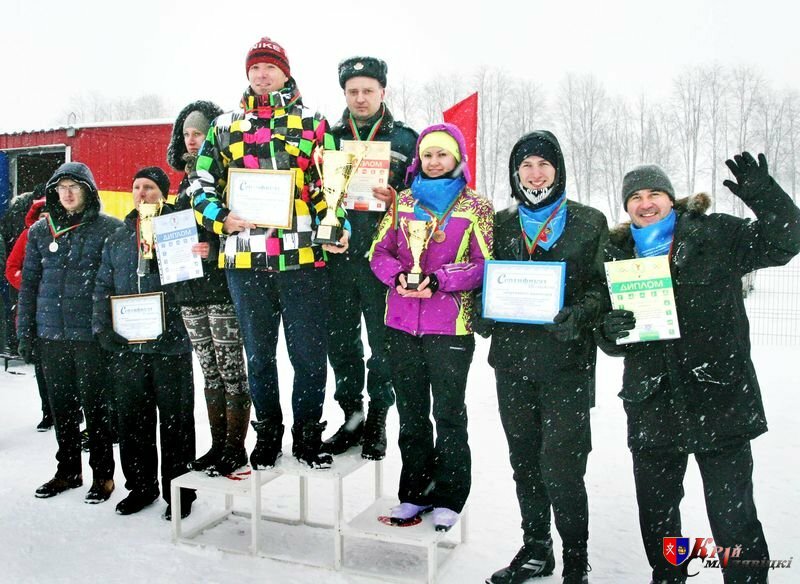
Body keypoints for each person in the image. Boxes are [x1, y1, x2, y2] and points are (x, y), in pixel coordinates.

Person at [597, 154, 800, 584]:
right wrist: (609, 330)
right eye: (635, 196)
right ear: (626, 205)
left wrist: (765, 195)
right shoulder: (616, 253)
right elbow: (608, 334)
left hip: (719, 399)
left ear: (672, 199)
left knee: (734, 523)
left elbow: (787, 241)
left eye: (654, 193)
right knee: (659, 522)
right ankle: (670, 578)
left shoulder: (716, 234)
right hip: (652, 404)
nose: (645, 203)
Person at [188, 36, 345, 470]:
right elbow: (199, 183)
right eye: (255, 67)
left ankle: (308, 433)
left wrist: (337, 226)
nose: (261, 74)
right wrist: (222, 218)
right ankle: (268, 431)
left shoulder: (313, 122)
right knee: (258, 355)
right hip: (245, 259)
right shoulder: (225, 125)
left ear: (285, 72)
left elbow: (330, 185)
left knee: (309, 354)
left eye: (269, 67)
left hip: (301, 258)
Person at [483, 131, 606, 584]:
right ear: (516, 175)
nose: (535, 174)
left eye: (543, 165)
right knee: (525, 463)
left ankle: (576, 559)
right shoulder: (501, 223)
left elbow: (602, 288)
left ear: (559, 170)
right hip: (512, 365)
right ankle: (536, 549)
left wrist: (580, 313)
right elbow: (485, 280)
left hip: (566, 365)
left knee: (564, 467)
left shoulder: (588, 222)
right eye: (526, 167)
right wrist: (484, 312)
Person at [370, 123, 493, 531]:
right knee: (412, 414)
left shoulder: (475, 207)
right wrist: (399, 277)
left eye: (442, 154)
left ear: (457, 158)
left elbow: (483, 265)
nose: (434, 162)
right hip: (402, 325)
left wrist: (440, 279)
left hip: (451, 329)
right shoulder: (403, 202)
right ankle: (414, 493)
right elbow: (378, 252)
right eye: (427, 155)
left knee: (449, 413)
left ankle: (451, 495)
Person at [323, 56, 418, 460]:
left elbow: (423, 199)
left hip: (384, 262)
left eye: (368, 90)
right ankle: (352, 414)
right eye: (352, 91)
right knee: (341, 342)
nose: (360, 98)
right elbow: (315, 195)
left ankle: (378, 415)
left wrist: (400, 201)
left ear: (383, 91)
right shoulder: (328, 137)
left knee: (383, 345)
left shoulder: (405, 140)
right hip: (338, 261)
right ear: (344, 94)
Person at [93, 167, 196, 519]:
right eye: (136, 187)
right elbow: (103, 287)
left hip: (170, 346)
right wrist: (104, 329)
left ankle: (179, 491)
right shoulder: (118, 237)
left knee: (175, 422)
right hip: (128, 347)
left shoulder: (177, 230)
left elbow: (188, 283)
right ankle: (141, 486)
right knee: (132, 421)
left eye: (150, 188)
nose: (142, 193)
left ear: (162, 193)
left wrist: (176, 324)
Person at [17, 162, 121, 503]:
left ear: (88, 191)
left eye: (74, 186)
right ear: (53, 192)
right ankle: (68, 471)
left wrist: (110, 330)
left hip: (90, 337)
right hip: (51, 336)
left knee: (96, 408)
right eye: (61, 187)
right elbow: (29, 285)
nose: (67, 193)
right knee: (62, 408)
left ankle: (103, 475)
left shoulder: (108, 229)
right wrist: (26, 333)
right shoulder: (38, 232)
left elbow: (115, 284)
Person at [167, 100, 251, 477]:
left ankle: (236, 447)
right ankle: (217, 445)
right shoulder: (181, 184)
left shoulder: (226, 174)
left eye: (198, 133)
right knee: (209, 371)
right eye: (186, 133)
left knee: (232, 370)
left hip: (220, 287)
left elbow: (241, 222)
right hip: (189, 291)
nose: (192, 140)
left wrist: (213, 247)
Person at [5, 193, 54, 431]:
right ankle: (48, 412)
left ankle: (72, 413)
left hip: (60, 310)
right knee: (41, 366)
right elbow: (12, 268)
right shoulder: (28, 236)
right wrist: (28, 282)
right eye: (41, 215)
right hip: (35, 308)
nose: (45, 218)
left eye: (49, 214)